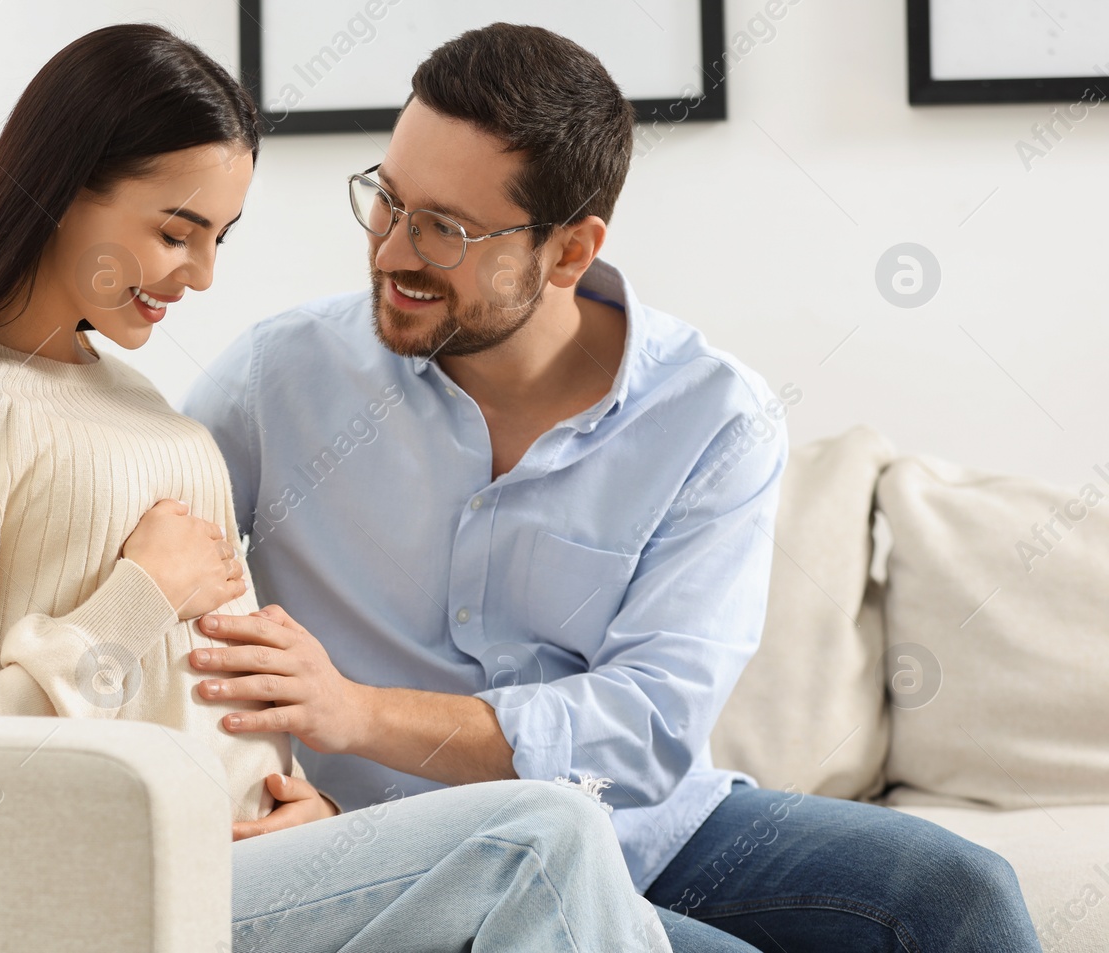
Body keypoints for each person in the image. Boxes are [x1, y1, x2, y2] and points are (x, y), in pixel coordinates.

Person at [181, 21, 1045, 953]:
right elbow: (149, 579)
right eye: (388, 202)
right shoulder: (280, 380)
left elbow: (648, 728)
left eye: (447, 230)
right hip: (407, 849)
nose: (393, 252)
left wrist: (357, 710)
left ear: (568, 251)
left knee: (962, 893)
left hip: (649, 828)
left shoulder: (713, 416)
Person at [0, 22, 671, 952]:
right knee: (544, 831)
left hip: (255, 854)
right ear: (59, 190)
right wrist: (142, 597)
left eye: (219, 238)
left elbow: (215, 690)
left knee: (575, 852)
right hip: (106, 877)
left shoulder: (140, 402)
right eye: (176, 232)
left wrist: (318, 808)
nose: (205, 274)